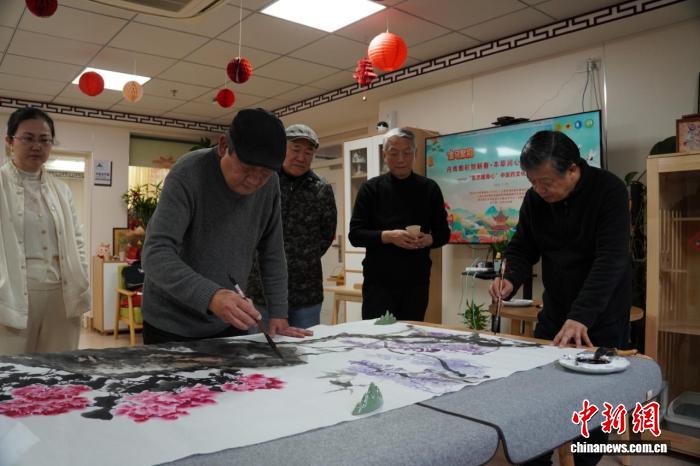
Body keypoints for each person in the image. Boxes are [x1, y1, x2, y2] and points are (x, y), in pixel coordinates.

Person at [489, 130, 630, 466]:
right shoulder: (535, 199)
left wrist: (581, 315)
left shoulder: (608, 190)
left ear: (573, 169)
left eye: (546, 182)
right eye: (533, 182)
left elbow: (611, 258)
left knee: (592, 409)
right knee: (538, 400)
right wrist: (510, 279)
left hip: (600, 316)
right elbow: (522, 248)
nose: (539, 190)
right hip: (555, 313)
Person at [141, 108, 312, 344]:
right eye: (247, 168)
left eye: (264, 173)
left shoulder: (269, 184)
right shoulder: (188, 173)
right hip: (170, 322)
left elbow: (272, 252)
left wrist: (279, 313)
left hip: (229, 321)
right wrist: (212, 296)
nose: (254, 180)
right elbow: (155, 253)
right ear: (223, 146)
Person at [0, 108, 90, 355]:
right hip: (12, 292)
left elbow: (77, 241)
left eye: (44, 140)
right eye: (28, 138)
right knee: (13, 367)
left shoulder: (61, 189)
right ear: (9, 141)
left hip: (62, 294)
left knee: (60, 364)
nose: (36, 146)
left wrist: (82, 277)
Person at [349, 127, 450, 321]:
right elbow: (355, 235)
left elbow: (443, 233)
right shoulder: (370, 189)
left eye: (407, 153)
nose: (401, 159)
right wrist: (389, 236)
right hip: (379, 283)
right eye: (394, 153)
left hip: (416, 282)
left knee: (411, 335)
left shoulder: (429, 189)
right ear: (384, 155)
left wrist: (428, 239)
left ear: (415, 153)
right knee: (377, 335)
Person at [247, 124, 337, 329]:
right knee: (259, 345)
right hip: (261, 290)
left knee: (306, 347)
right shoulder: (263, 181)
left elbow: (326, 234)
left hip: (305, 292)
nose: (301, 157)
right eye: (295, 149)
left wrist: (301, 257)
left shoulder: (321, 189)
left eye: (308, 152)